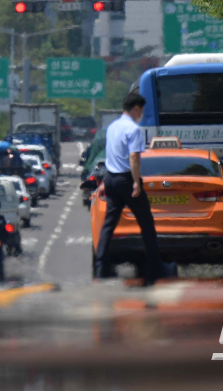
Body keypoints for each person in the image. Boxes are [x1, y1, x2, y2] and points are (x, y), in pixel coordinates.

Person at [94, 92, 162, 286]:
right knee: (146, 223)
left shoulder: (112, 127)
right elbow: (134, 157)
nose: (141, 114)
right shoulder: (133, 129)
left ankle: (100, 268)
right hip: (125, 178)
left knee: (109, 224)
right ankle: (155, 269)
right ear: (136, 109)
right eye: (141, 110)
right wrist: (136, 182)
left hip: (110, 178)